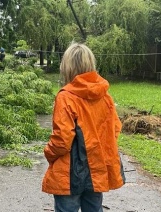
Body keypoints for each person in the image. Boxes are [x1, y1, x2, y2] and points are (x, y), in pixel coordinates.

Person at [42, 42, 125, 212]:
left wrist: (49, 153)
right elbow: (114, 130)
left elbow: (62, 140)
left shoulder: (66, 97)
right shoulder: (105, 96)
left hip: (70, 173)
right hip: (97, 170)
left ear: (67, 66)